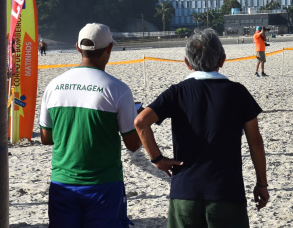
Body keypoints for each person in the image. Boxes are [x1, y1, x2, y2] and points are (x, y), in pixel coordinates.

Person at [134, 30, 268, 227]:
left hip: (185, 191)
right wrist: (261, 184)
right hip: (226, 191)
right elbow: (255, 142)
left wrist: (157, 159)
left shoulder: (177, 92)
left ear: (187, 63)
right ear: (222, 60)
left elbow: (141, 122)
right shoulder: (237, 92)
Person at [39, 23, 141, 227]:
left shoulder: (54, 86)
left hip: (62, 182)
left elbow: (46, 138)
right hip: (104, 185)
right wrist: (139, 120)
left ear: (78, 47)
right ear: (110, 48)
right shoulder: (118, 89)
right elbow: (133, 144)